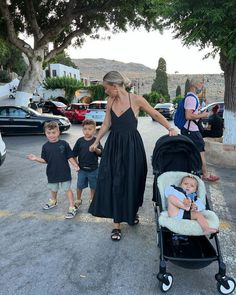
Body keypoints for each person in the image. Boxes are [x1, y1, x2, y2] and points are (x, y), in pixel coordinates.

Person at [88, 71, 178, 241]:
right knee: (114, 180)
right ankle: (116, 225)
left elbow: (155, 114)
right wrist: (96, 141)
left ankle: (131, 212)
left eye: (106, 88)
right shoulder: (110, 100)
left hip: (132, 145)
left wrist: (170, 128)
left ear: (115, 86)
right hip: (114, 145)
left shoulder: (136, 99)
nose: (105, 91)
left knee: (133, 179)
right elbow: (107, 123)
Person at [27, 121, 79, 219]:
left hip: (64, 173)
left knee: (67, 189)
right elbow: (45, 160)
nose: (51, 135)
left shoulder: (64, 144)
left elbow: (70, 157)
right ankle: (53, 201)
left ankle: (72, 207)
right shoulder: (45, 146)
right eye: (49, 133)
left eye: (54, 132)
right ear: (45, 133)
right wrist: (36, 158)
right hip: (52, 173)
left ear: (58, 132)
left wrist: (75, 165)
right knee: (53, 189)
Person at [181, 78, 220, 182]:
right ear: (194, 85)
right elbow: (188, 116)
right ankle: (205, 175)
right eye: (200, 83)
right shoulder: (191, 98)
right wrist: (204, 114)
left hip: (190, 129)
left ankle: (194, 173)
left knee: (192, 152)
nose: (202, 85)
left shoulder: (192, 97)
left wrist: (201, 115)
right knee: (200, 151)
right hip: (191, 130)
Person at [72, 119, 103, 208]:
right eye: (85, 129)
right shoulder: (80, 141)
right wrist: (76, 165)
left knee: (93, 186)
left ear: (94, 130)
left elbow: (101, 153)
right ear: (82, 130)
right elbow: (74, 154)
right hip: (82, 169)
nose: (87, 131)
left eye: (90, 129)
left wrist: (95, 149)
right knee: (79, 185)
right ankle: (78, 199)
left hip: (94, 169)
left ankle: (92, 199)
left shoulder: (96, 141)